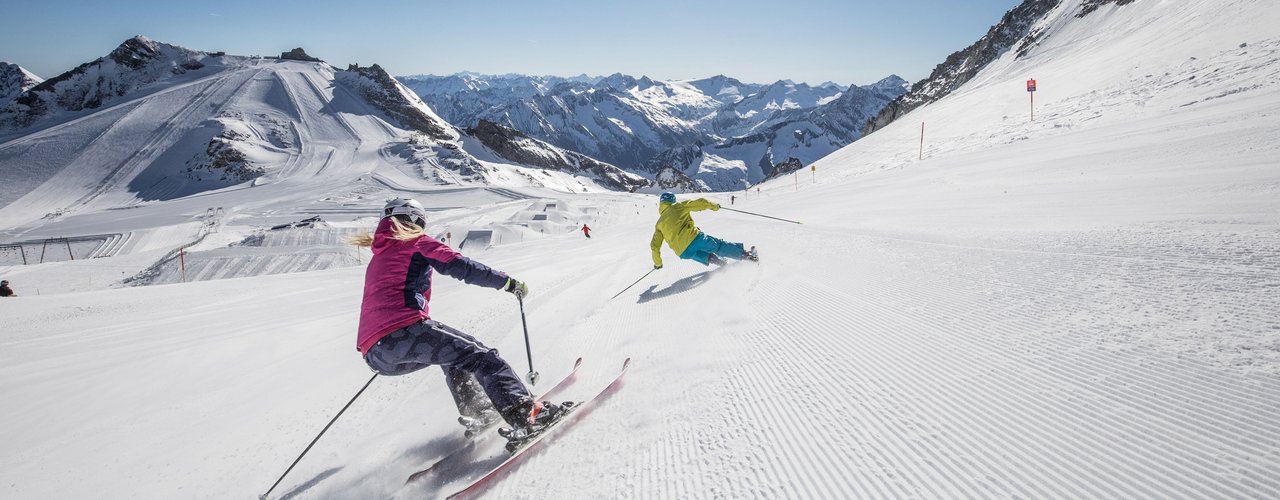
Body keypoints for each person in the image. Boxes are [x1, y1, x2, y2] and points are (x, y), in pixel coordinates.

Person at [350, 198, 564, 436]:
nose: (421, 228)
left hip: (376, 354)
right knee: (482, 358)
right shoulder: (414, 241)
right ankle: (527, 415)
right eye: (420, 222)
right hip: (404, 332)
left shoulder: (379, 256)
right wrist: (507, 282)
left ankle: (480, 412)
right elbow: (460, 266)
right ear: (411, 220)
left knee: (454, 359)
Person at [650, 192, 757, 269]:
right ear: (673, 200)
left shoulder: (659, 224)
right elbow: (700, 202)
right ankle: (747, 255)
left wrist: (658, 263)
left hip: (682, 253)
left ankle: (719, 262)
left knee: (695, 252)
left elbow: (654, 246)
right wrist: (714, 206)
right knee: (718, 245)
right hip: (694, 238)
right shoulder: (677, 206)